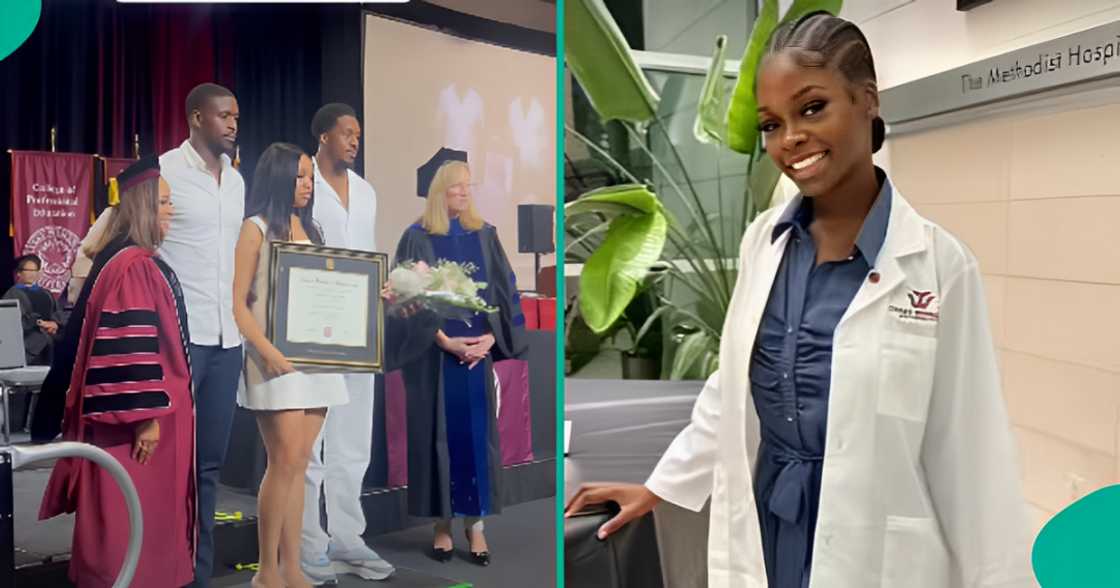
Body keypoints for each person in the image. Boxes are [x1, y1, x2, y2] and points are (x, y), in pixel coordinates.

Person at [564, 13, 1035, 588]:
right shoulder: (764, 241)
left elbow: (972, 450)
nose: (789, 140)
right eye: (770, 124)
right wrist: (661, 487)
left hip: (876, 551)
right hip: (768, 525)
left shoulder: (939, 264)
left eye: (812, 109)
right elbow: (733, 387)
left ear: (867, 101)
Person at [39, 156, 197, 588]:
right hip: (139, 430)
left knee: (132, 520)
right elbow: (132, 345)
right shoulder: (134, 267)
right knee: (131, 524)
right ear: (144, 204)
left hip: (143, 421)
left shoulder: (125, 260)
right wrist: (143, 416)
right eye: (163, 201)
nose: (171, 209)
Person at [387, 148, 527, 566]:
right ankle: (442, 526)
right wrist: (443, 339)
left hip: (475, 355)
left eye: (469, 186)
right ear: (439, 191)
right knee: (438, 439)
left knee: (474, 440)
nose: (465, 193)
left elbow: (504, 292)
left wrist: (489, 339)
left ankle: (476, 526)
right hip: (436, 356)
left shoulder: (485, 233)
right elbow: (404, 301)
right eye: (456, 186)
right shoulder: (417, 236)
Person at [233, 142, 349, 588]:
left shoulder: (313, 229)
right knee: (282, 462)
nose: (307, 184)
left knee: (301, 463)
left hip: (318, 362)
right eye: (300, 176)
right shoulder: (255, 228)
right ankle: (266, 572)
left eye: (309, 177)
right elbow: (238, 303)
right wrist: (266, 350)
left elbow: (329, 295)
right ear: (279, 176)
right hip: (274, 362)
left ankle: (294, 568)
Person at [300, 103, 395, 583]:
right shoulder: (303, 183)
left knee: (353, 435)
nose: (355, 141)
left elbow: (368, 255)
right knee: (311, 435)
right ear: (322, 137)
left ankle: (347, 537)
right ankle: (309, 543)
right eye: (346, 133)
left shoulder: (365, 191)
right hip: (314, 324)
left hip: (361, 324)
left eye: (358, 133)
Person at [158, 82, 246, 587]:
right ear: (196, 118)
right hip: (177, 342)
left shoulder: (235, 181)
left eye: (236, 116)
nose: (233, 123)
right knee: (170, 466)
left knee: (208, 467)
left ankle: (198, 575)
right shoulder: (165, 171)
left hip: (226, 340)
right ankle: (160, 567)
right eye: (223, 115)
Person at [3, 254, 64, 365]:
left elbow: (57, 313)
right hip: (28, 348)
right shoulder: (12, 294)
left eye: (35, 270)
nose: (32, 273)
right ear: (19, 273)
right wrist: (38, 322)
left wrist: (55, 324)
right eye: (28, 270)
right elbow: (10, 323)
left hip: (49, 345)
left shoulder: (46, 293)